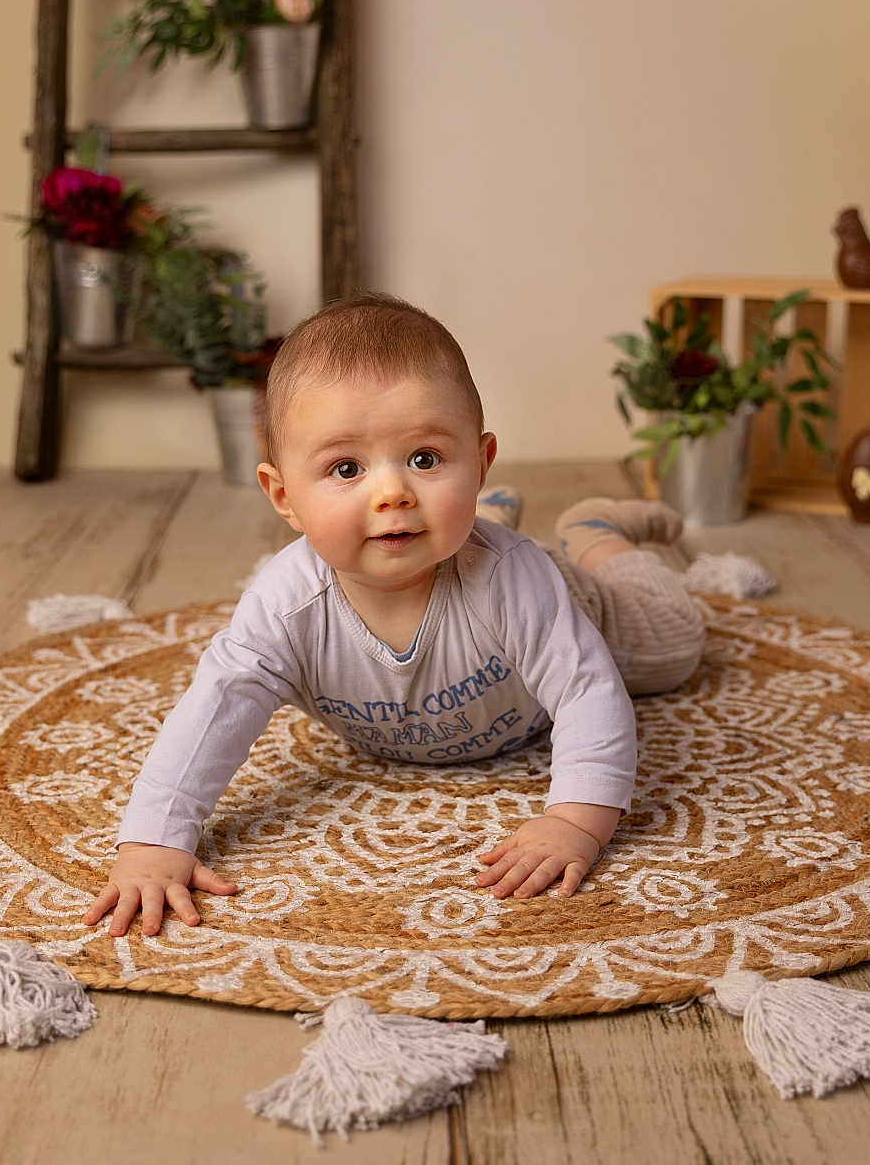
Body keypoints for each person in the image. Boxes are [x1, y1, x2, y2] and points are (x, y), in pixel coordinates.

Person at [83, 294, 704, 938]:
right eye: (346, 468)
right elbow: (213, 710)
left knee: (680, 645)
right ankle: (483, 510)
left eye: (426, 459)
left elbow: (586, 690)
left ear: (481, 458)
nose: (393, 492)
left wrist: (575, 821)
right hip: (461, 547)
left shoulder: (513, 581)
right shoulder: (287, 608)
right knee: (446, 527)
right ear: (283, 496)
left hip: (583, 605)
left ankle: (597, 532)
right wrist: (153, 842)